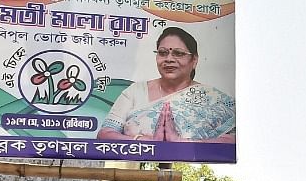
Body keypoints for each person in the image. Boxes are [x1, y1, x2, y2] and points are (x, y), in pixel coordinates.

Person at [97, 26, 234, 142]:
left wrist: (181, 143)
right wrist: (145, 142)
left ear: (194, 60)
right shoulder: (135, 91)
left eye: (178, 53)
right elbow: (105, 134)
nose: (169, 59)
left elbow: (235, 142)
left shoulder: (213, 98)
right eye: (162, 53)